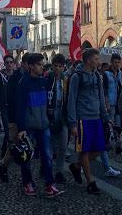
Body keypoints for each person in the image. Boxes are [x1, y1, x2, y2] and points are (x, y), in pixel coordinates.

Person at [16, 53, 64, 197]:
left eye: (43, 64)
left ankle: (49, 185)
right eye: (39, 64)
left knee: (47, 156)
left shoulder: (44, 81)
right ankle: (27, 182)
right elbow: (20, 107)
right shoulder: (23, 83)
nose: (42, 67)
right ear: (31, 66)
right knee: (27, 156)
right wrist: (21, 128)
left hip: (43, 125)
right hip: (29, 126)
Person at [68, 48, 111, 195]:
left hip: (96, 118)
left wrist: (105, 117)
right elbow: (71, 99)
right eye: (97, 59)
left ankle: (76, 166)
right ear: (88, 61)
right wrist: (72, 123)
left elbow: (100, 98)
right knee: (85, 151)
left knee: (99, 149)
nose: (99, 62)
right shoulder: (76, 77)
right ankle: (90, 182)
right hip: (82, 119)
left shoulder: (98, 76)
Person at [0, 53, 30, 183]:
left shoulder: (33, 77)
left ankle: (29, 178)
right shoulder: (14, 78)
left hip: (30, 118)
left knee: (27, 148)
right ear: (23, 64)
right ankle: (3, 165)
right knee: (15, 147)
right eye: (29, 64)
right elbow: (10, 100)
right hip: (16, 119)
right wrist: (11, 121)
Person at [46, 54, 69, 184]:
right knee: (49, 147)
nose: (58, 68)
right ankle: (47, 168)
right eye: (56, 66)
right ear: (52, 65)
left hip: (63, 116)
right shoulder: (47, 77)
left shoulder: (65, 79)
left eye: (60, 66)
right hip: (50, 115)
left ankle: (59, 171)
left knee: (63, 147)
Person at [101, 54, 122, 176]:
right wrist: (106, 101)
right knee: (110, 124)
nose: (116, 64)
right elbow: (103, 89)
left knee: (117, 124)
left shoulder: (119, 73)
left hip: (118, 103)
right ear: (111, 62)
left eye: (118, 62)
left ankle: (117, 142)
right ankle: (108, 143)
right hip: (110, 104)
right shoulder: (106, 74)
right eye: (115, 62)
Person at [0, 55, 14, 157]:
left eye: (11, 62)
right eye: (7, 62)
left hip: (14, 107)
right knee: (7, 130)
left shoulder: (16, 76)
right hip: (4, 107)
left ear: (13, 64)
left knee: (13, 130)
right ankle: (5, 153)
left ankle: (9, 151)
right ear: (4, 64)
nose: (9, 64)